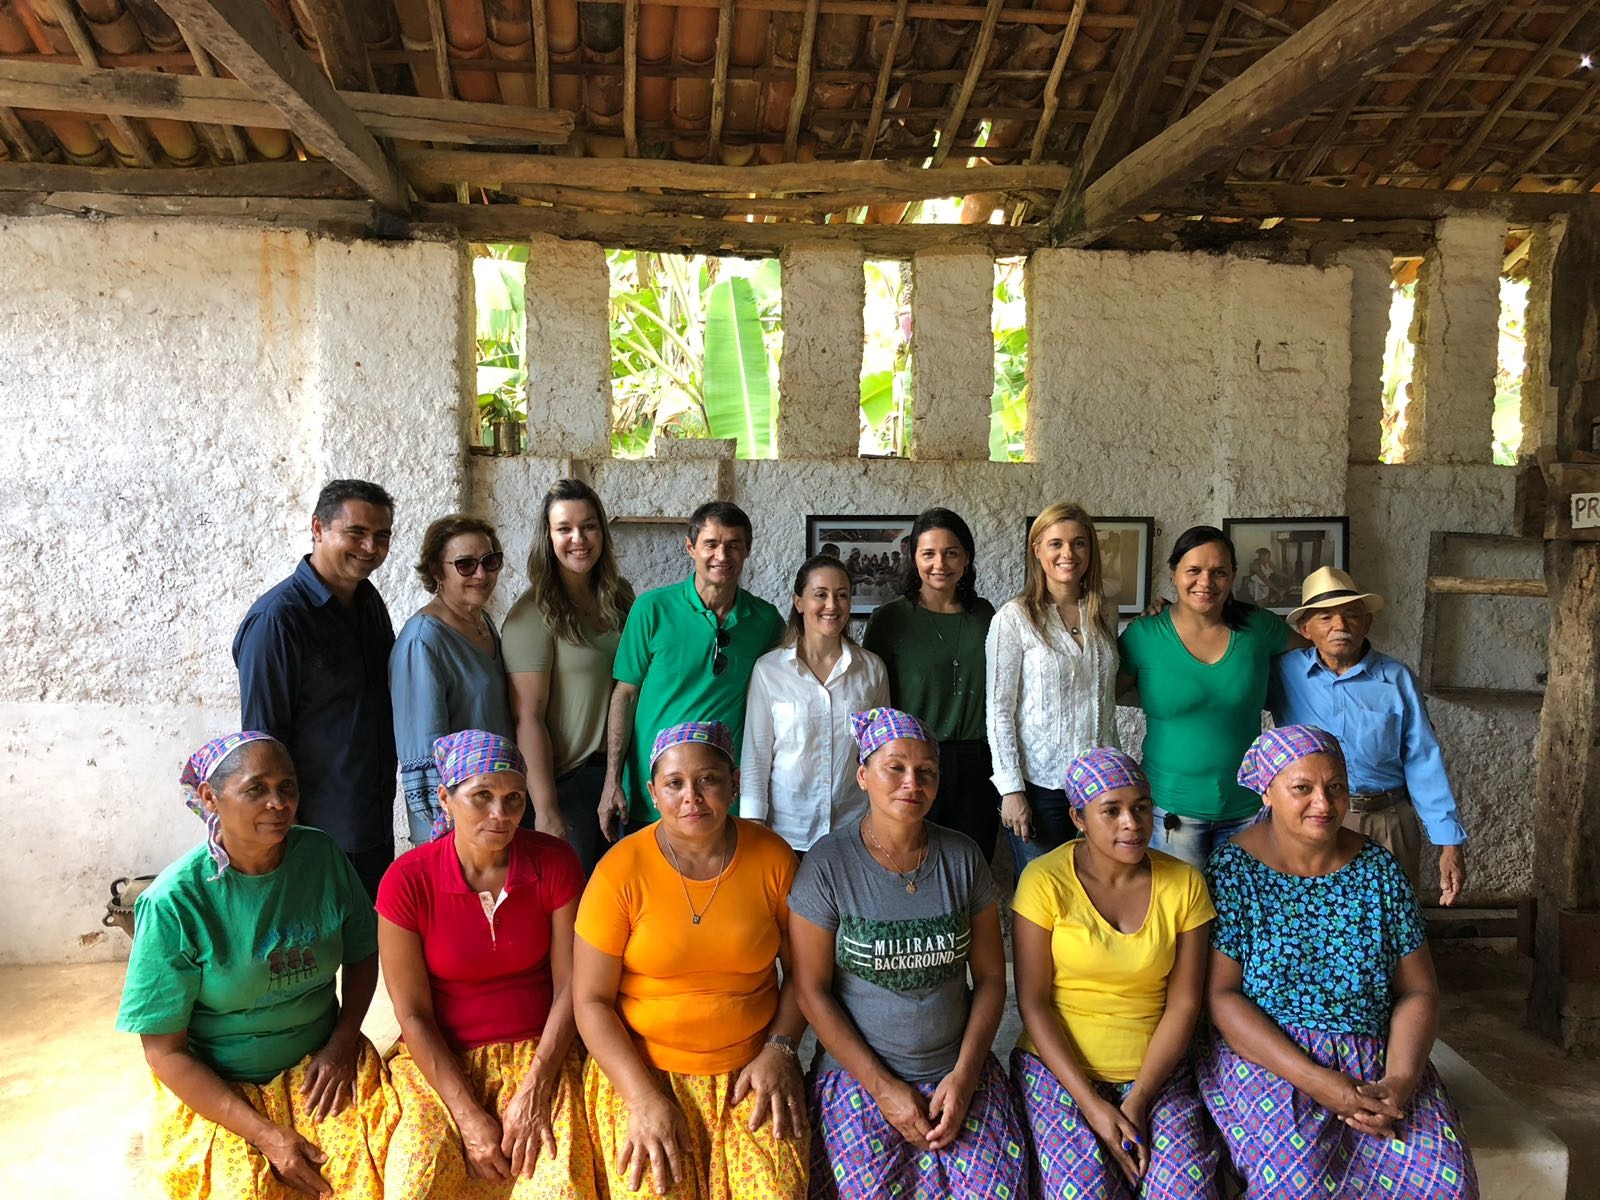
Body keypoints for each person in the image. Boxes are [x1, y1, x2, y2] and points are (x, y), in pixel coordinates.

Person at [1197, 725, 1479, 1199]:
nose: (1323, 803)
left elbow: (1417, 990)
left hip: (1374, 1055)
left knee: (1443, 1183)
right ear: (1267, 790)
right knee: (1297, 1182)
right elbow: (1222, 997)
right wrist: (1320, 1083)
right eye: (1302, 788)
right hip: (1272, 1057)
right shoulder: (1233, 871)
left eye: (1336, 787)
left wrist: (1399, 1082)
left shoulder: (1378, 870)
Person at [116, 732, 394, 1199]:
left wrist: (343, 1040)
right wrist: (266, 1135)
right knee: (248, 1189)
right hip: (223, 1088)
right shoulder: (175, 903)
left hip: (322, 1064)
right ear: (210, 798)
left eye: (288, 788)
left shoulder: (321, 857)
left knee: (383, 1173)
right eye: (256, 789)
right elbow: (164, 1053)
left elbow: (363, 951)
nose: (278, 803)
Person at [789, 708, 1025, 1200]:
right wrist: (882, 1088)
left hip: (957, 1070)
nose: (911, 782)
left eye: (926, 772)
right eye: (895, 767)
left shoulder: (962, 857)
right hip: (859, 1077)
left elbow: (990, 978)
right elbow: (810, 990)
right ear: (863, 775)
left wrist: (964, 1077)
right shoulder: (828, 865)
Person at [573, 721, 808, 1200]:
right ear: (652, 792)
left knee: (775, 1191)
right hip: (642, 1071)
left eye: (709, 780)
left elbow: (805, 974)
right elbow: (590, 1001)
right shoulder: (619, 871)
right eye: (675, 783)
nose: (692, 797)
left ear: (735, 782)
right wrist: (641, 1098)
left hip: (752, 1068)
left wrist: (781, 1048)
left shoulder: (774, 859)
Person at [378, 730, 596, 1199]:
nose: (501, 815)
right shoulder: (407, 881)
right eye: (482, 796)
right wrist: (467, 1114)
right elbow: (412, 1014)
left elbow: (570, 985)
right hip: (441, 1062)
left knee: (558, 1187)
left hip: (541, 1052)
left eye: (514, 799)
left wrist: (537, 1086)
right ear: (445, 798)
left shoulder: (553, 862)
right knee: (416, 1181)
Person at [1010, 748, 1218, 1199]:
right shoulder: (1044, 880)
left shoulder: (1184, 884)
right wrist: (1092, 1105)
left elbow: (1185, 1003)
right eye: (1112, 811)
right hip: (1059, 1071)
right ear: (1078, 818)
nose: (1133, 822)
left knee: (1184, 1190)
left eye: (1142, 807)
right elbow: (1033, 1002)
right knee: (1082, 1191)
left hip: (1156, 1074)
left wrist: (1138, 1099)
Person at [233, 478, 398, 898]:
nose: (369, 548)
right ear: (318, 529)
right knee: (311, 958)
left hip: (371, 819)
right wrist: (279, 834)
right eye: (356, 532)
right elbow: (263, 742)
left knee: (364, 944)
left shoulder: (369, 604)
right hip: (309, 832)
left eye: (381, 536)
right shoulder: (277, 621)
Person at [1269, 566, 1468, 903]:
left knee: (1391, 927)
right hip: (1310, 820)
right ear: (1305, 629)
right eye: (1326, 618)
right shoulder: (1283, 673)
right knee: (1313, 927)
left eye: (1351, 615)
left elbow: (1423, 759)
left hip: (1386, 821)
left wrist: (1449, 842)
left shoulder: (1396, 678)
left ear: (1367, 622)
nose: (1340, 626)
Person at [599, 501, 785, 839]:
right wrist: (612, 780)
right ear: (691, 547)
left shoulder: (765, 620)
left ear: (747, 550)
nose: (722, 555)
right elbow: (624, 695)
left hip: (723, 799)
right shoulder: (652, 609)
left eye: (733, 545)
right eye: (711, 544)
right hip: (653, 795)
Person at [1117, 525, 1295, 870]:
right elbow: (1106, 692)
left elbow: (1317, 660)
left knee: (1242, 919)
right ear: (1174, 574)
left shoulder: (1258, 627)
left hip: (1249, 809)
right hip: (1171, 812)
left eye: (1218, 572)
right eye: (1194, 570)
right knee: (1182, 919)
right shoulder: (1145, 634)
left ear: (1233, 576)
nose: (1206, 582)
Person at [504, 479, 636, 876]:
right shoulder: (533, 614)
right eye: (564, 528)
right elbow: (528, 717)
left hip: (622, 775)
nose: (578, 538)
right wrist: (546, 811)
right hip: (567, 785)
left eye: (589, 525)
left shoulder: (620, 596)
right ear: (548, 536)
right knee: (573, 915)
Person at [862, 509, 1001, 859]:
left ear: (967, 558)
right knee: (913, 860)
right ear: (914, 558)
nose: (940, 563)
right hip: (914, 761)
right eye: (929, 553)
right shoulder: (890, 619)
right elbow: (873, 697)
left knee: (972, 864)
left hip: (977, 762)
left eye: (951, 552)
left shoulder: (986, 615)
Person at [988, 504, 1121, 868]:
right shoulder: (1014, 618)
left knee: (1097, 890)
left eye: (1079, 544)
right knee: (1042, 898)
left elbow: (1106, 691)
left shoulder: (1105, 611)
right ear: (1037, 550)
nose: (1068, 554)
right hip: (1040, 787)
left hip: (1100, 786)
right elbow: (999, 710)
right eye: (1056, 544)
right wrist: (1011, 790)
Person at [741, 555, 889, 853]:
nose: (832, 605)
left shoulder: (872, 669)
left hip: (853, 832)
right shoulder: (769, 670)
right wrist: (752, 825)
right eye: (820, 595)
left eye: (842, 595)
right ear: (799, 602)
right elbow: (756, 754)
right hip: (785, 833)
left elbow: (881, 754)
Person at [391, 515, 516, 847]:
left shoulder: (484, 622)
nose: (481, 574)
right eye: (465, 565)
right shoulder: (423, 641)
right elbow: (424, 758)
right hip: (457, 827)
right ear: (437, 571)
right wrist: (448, 831)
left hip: (496, 811)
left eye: (490, 561)